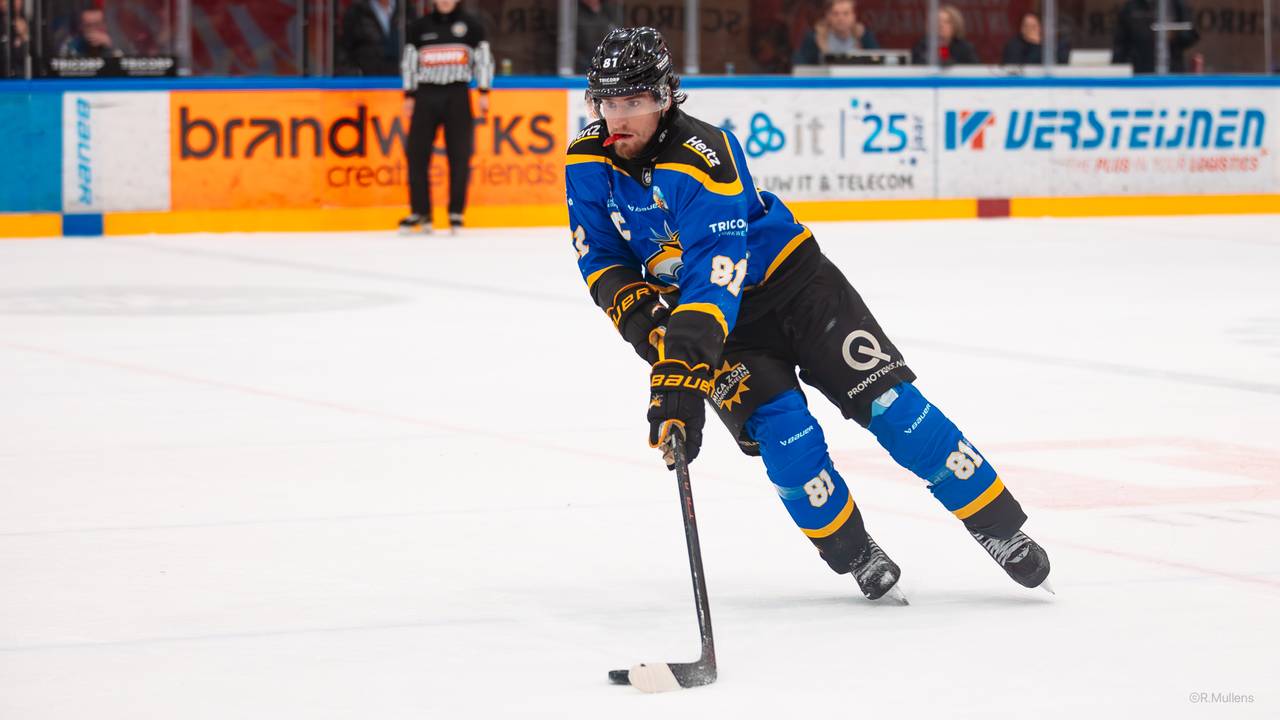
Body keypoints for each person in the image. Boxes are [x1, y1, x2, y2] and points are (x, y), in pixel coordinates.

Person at [566, 27, 1052, 602]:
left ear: (666, 98)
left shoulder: (705, 156)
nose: (617, 118)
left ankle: (996, 527)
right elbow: (599, 254)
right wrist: (649, 330)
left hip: (797, 291)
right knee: (785, 438)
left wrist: (681, 370)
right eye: (607, 101)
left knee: (893, 408)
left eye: (634, 102)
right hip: (729, 330)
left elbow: (713, 276)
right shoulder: (586, 159)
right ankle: (855, 551)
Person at [398, 0, 493, 234]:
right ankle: (421, 212)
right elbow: (409, 62)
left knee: (459, 155)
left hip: (458, 94)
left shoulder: (472, 27)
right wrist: (409, 93)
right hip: (426, 94)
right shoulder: (419, 27)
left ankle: (456, 213)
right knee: (416, 153)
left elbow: (483, 60)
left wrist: (483, 91)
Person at [1112, 0, 1198, 74]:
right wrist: (1117, 72)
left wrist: (1175, 35)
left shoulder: (1176, 4)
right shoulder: (1130, 7)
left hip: (1173, 70)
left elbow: (1191, 34)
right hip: (1141, 71)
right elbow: (1120, 45)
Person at [339, 0, 414, 76]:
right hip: (366, 81)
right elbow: (344, 48)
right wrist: (355, 74)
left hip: (401, 80)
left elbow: (414, 44)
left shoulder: (406, 8)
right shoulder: (357, 10)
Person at [792, 0, 878, 66]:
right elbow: (800, 64)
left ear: (853, 16)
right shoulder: (814, 38)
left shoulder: (864, 36)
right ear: (828, 16)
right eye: (835, 14)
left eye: (846, 14)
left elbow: (879, 61)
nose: (840, 18)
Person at [911, 4, 979, 66]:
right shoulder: (922, 46)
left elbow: (975, 71)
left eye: (947, 22)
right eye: (937, 21)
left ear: (956, 25)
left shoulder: (965, 48)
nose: (941, 25)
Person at [1001, 12, 1070, 65]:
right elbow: (1020, 68)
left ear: (1040, 28)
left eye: (1033, 26)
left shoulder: (1054, 44)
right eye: (1026, 26)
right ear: (1021, 29)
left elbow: (1061, 63)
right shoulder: (1014, 45)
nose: (1029, 29)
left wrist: (1038, 44)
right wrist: (1035, 44)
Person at [574, 0, 622, 74]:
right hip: (584, 65)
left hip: (610, 62)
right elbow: (588, 41)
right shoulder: (575, 12)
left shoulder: (610, 10)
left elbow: (617, 35)